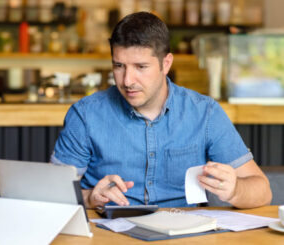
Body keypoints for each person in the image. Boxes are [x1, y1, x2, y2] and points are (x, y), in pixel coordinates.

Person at [51, 12, 272, 208]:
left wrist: (234, 191)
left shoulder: (205, 114)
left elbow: (262, 191)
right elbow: (51, 195)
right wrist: (89, 197)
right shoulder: (86, 115)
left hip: (184, 235)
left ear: (166, 64)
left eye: (141, 67)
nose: (128, 81)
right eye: (119, 66)